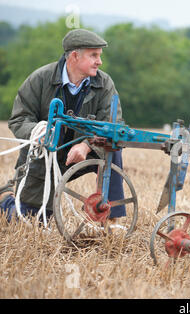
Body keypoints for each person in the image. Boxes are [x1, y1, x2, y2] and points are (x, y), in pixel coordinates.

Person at [0, 28, 126, 228]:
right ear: (75, 56)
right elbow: (19, 119)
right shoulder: (39, 79)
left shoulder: (104, 84)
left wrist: (86, 145)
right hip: (43, 157)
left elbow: (114, 126)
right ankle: (6, 198)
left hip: (82, 155)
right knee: (32, 222)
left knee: (112, 148)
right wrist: (36, 131)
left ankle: (111, 218)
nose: (99, 61)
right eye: (93, 55)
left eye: (99, 56)